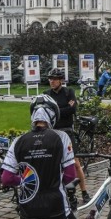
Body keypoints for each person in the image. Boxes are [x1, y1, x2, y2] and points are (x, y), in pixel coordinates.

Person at [44, 68, 90, 204]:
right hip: (52, 131)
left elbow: (72, 109)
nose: (52, 81)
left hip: (67, 131)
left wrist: (55, 110)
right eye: (50, 79)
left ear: (61, 80)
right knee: (51, 163)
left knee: (75, 163)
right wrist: (61, 109)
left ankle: (84, 191)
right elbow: (45, 110)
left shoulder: (69, 92)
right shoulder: (46, 94)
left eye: (55, 79)